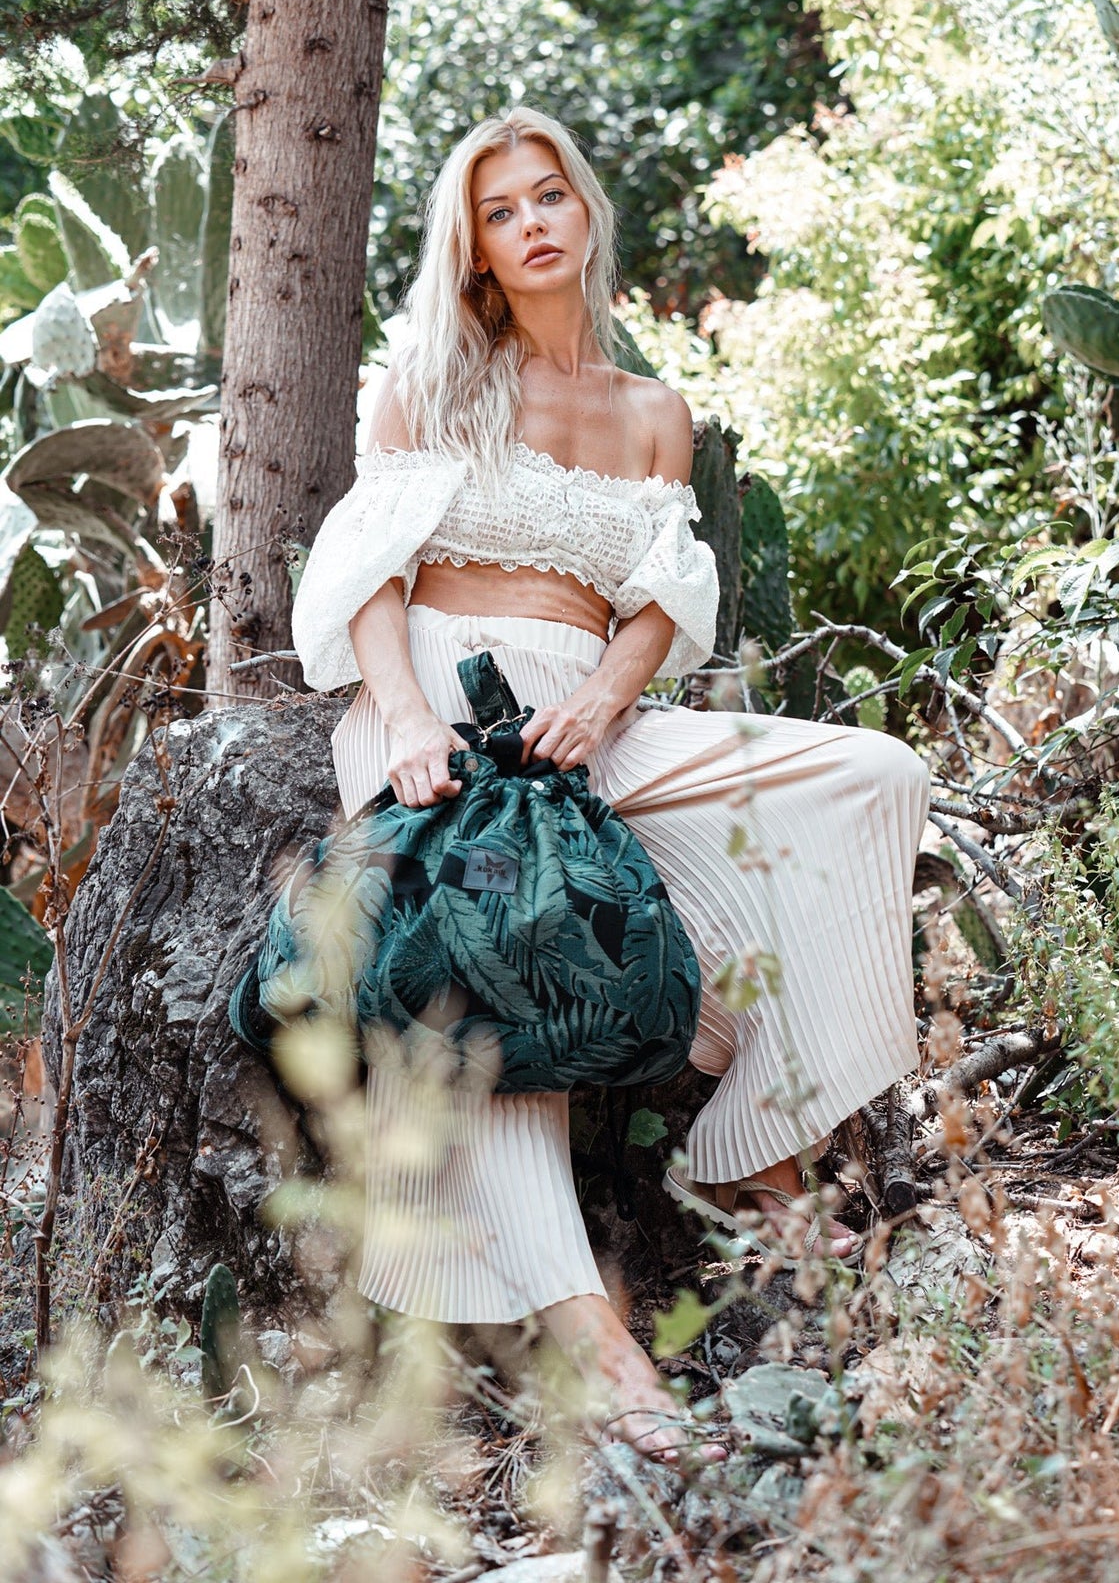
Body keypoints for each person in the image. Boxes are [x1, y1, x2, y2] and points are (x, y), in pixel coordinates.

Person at [290, 105, 930, 1466]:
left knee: (871, 772)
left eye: (547, 197)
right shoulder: (425, 382)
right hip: (447, 711)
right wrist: (404, 719)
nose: (529, 224)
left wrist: (603, 701)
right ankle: (600, 1347)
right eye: (498, 212)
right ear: (472, 249)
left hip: (592, 721)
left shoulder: (654, 414)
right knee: (500, 957)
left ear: (585, 210)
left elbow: (658, 601)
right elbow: (370, 578)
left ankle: (757, 1147)